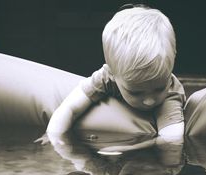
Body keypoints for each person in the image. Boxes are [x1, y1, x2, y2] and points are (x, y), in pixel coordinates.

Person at [44, 4, 186, 151]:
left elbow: (172, 142)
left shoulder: (170, 92)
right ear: (112, 73)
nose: (149, 101)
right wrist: (54, 138)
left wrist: (127, 148)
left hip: (153, 165)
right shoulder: (106, 76)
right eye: (136, 92)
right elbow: (69, 108)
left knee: (170, 160)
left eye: (158, 89)